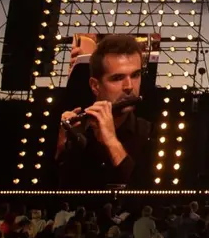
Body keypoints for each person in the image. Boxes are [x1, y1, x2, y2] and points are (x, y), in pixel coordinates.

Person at [56, 34, 151, 188]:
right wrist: (60, 148)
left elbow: (148, 193)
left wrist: (111, 141)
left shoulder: (149, 132)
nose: (129, 86)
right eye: (117, 78)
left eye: (135, 75)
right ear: (95, 86)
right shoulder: (77, 131)